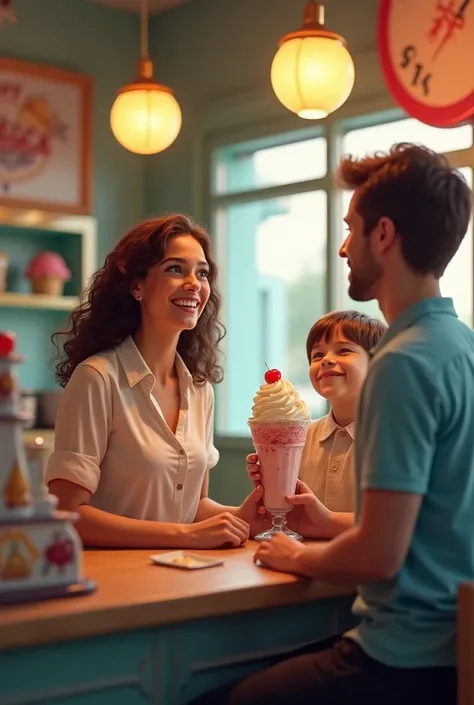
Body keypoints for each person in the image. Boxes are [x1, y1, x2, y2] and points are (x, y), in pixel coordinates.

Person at [193, 143, 474, 705]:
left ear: (384, 235)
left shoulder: (402, 363)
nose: (344, 247)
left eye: (351, 228)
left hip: (404, 659)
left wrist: (295, 553)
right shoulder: (461, 346)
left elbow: (379, 555)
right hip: (454, 651)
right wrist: (325, 527)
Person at [46, 214, 267, 549]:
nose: (194, 283)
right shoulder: (97, 379)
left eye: (202, 272)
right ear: (137, 285)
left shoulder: (200, 389)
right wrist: (185, 536)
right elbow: (68, 512)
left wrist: (245, 515)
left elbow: (193, 507)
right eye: (176, 269)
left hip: (181, 577)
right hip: (114, 583)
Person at [247, 310, 387, 518]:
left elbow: (392, 525)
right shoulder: (300, 436)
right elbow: (293, 518)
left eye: (343, 350)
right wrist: (272, 489)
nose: (326, 360)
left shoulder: (392, 436)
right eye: (318, 355)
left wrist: (326, 522)